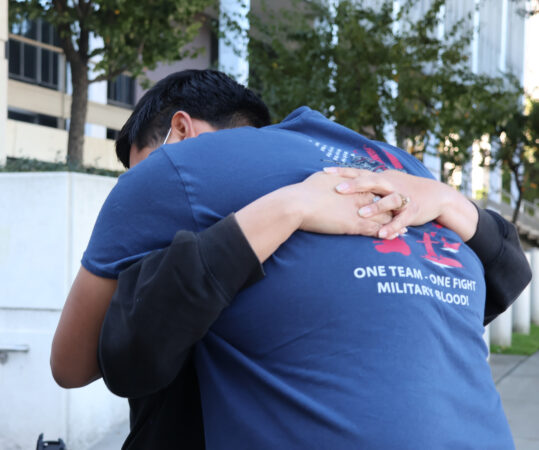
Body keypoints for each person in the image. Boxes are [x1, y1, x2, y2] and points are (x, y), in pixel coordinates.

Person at [52, 70, 532, 448]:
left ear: (180, 130)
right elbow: (506, 277)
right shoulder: (398, 169)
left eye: (141, 163)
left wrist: (290, 207)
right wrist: (451, 200)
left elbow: (70, 366)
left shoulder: (174, 168)